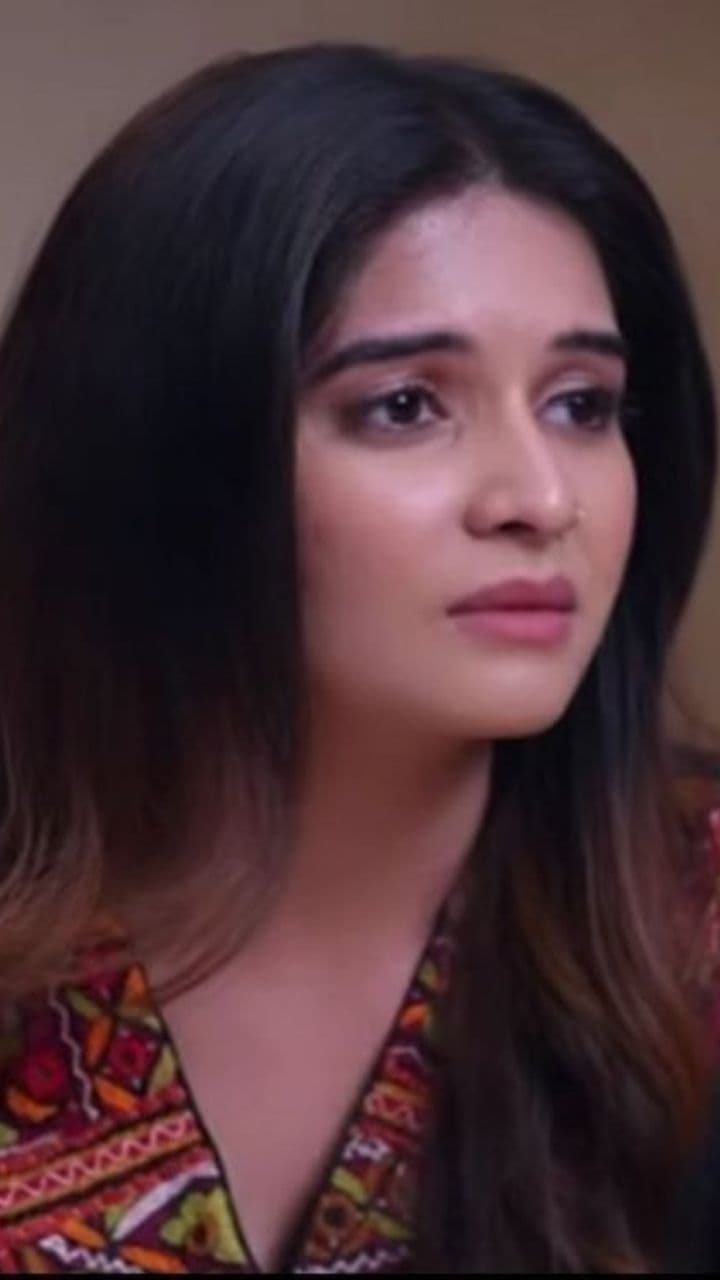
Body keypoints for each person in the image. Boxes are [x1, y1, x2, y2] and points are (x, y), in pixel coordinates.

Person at [0, 42, 715, 1275]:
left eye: (582, 404)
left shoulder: (689, 925)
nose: (542, 497)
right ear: (160, 452)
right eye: (405, 405)